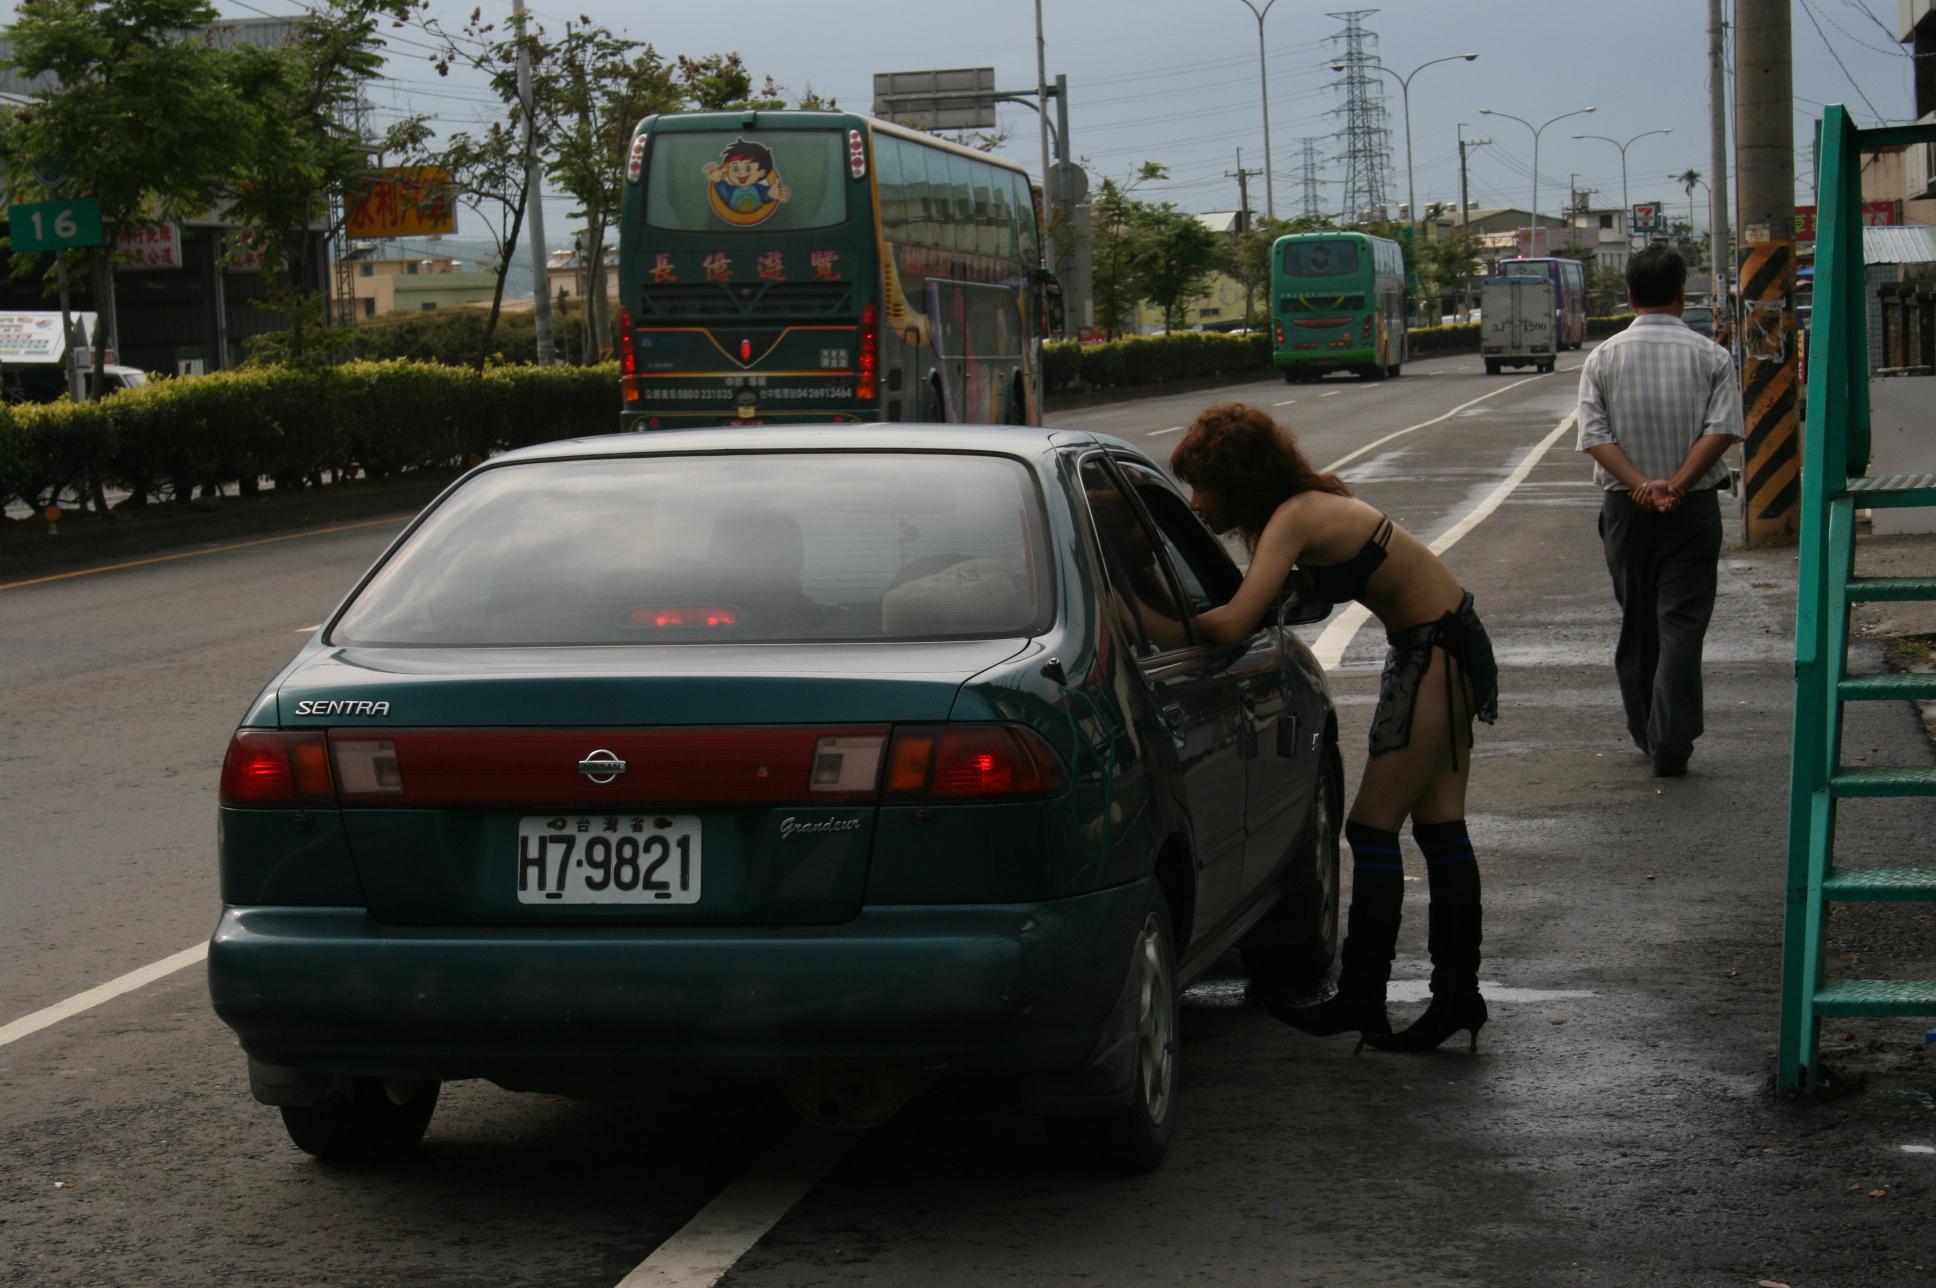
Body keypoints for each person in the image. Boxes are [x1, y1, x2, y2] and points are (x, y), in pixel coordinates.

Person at [1172, 403, 1499, 1053]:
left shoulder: (1293, 517)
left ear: (1237, 482)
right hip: (1441, 643)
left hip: (1434, 648)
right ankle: (1454, 996)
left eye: (1201, 485)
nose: (1195, 501)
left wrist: (1149, 619)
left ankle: (1366, 996)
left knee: (1371, 827)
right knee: (1438, 827)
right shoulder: (1304, 507)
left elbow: (1234, 623)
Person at [1574, 245, 1742, 778]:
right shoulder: (1712, 356)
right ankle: (1671, 740)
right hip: (1691, 511)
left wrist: (1644, 486)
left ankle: (1648, 730)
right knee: (1683, 626)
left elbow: (1593, 437)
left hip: (1627, 511)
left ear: (1628, 296)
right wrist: (1677, 484)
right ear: (1681, 294)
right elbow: (1722, 430)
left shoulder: (1602, 358)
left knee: (1639, 620)